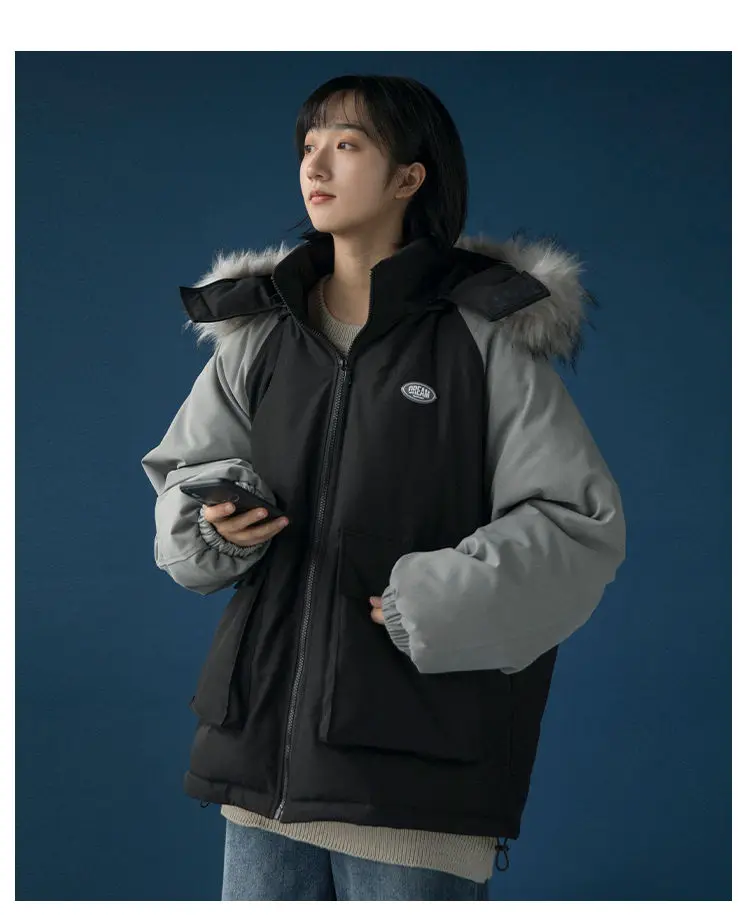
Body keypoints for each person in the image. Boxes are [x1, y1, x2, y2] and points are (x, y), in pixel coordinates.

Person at [141, 73, 627, 901]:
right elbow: (185, 476)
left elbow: (577, 522)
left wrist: (434, 600)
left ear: (410, 176)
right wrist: (213, 520)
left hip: (414, 774)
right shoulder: (260, 337)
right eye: (308, 145)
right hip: (259, 772)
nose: (315, 164)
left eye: (347, 144)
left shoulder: (480, 338)